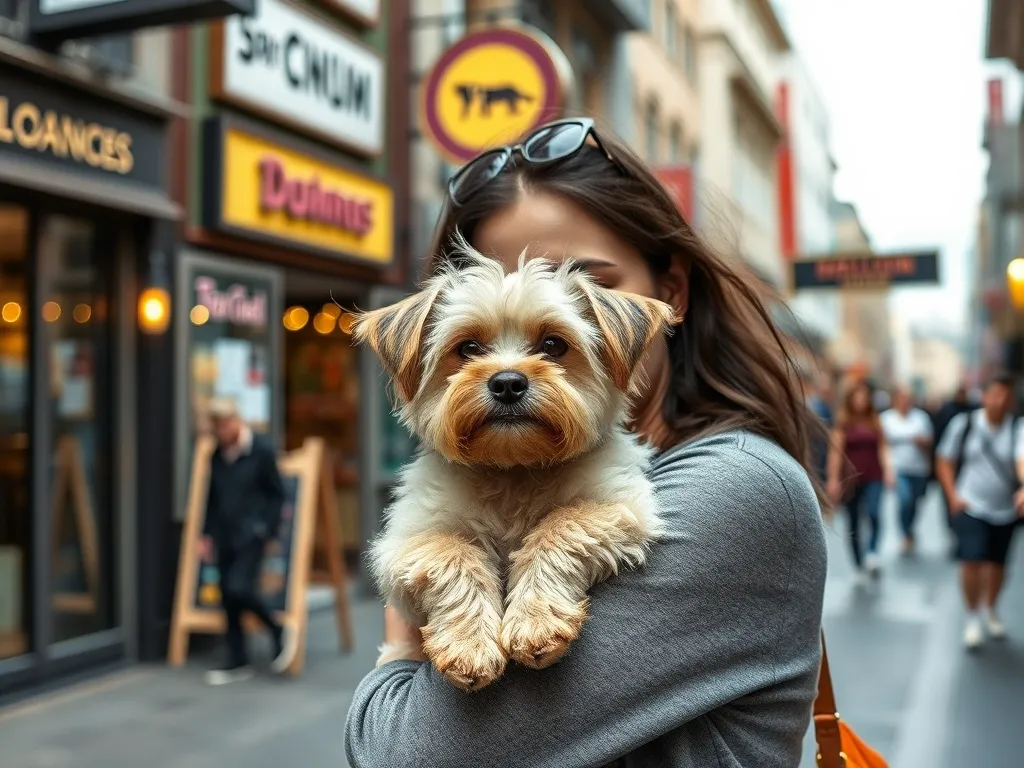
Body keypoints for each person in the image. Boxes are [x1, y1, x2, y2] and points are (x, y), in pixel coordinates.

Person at [344, 118, 827, 767]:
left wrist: (399, 650)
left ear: (671, 293)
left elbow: (405, 756)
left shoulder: (735, 488)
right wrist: (439, 584)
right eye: (471, 345)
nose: (510, 374)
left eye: (557, 332)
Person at [200, 398, 296, 684]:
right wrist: (205, 535)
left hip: (251, 535)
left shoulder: (262, 451)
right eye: (217, 426)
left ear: (236, 421)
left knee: (238, 587)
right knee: (228, 597)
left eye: (226, 424)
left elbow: (277, 495)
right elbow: (212, 499)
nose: (222, 431)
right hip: (224, 534)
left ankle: (277, 629)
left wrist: (265, 530)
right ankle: (236, 657)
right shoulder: (216, 455)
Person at [935, 372, 1024, 650]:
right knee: (971, 560)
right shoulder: (964, 424)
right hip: (970, 505)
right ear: (984, 396)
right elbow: (944, 460)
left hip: (1005, 509)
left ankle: (990, 607)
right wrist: (952, 496)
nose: (1000, 400)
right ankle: (973, 617)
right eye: (995, 394)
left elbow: (1021, 459)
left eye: (1005, 396)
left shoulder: (1017, 428)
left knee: (998, 565)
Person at [826, 380, 895, 583]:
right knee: (854, 521)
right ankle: (858, 563)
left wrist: (889, 471)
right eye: (857, 396)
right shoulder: (843, 422)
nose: (861, 400)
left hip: (874, 475)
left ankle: (872, 553)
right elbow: (835, 453)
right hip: (851, 480)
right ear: (850, 399)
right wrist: (833, 479)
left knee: (874, 513)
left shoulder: (875, 420)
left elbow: (883, 448)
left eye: (864, 396)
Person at [881, 387, 934, 554]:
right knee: (905, 500)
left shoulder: (920, 418)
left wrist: (922, 442)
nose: (905, 402)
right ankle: (905, 534)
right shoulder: (886, 419)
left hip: (918, 468)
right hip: (898, 468)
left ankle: (910, 529)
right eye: (902, 398)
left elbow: (930, 441)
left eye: (908, 398)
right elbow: (882, 446)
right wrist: (887, 470)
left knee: (915, 502)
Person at [932, 384, 974, 530]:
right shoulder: (947, 411)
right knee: (948, 494)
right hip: (948, 458)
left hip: (965, 463)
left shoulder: (972, 410)